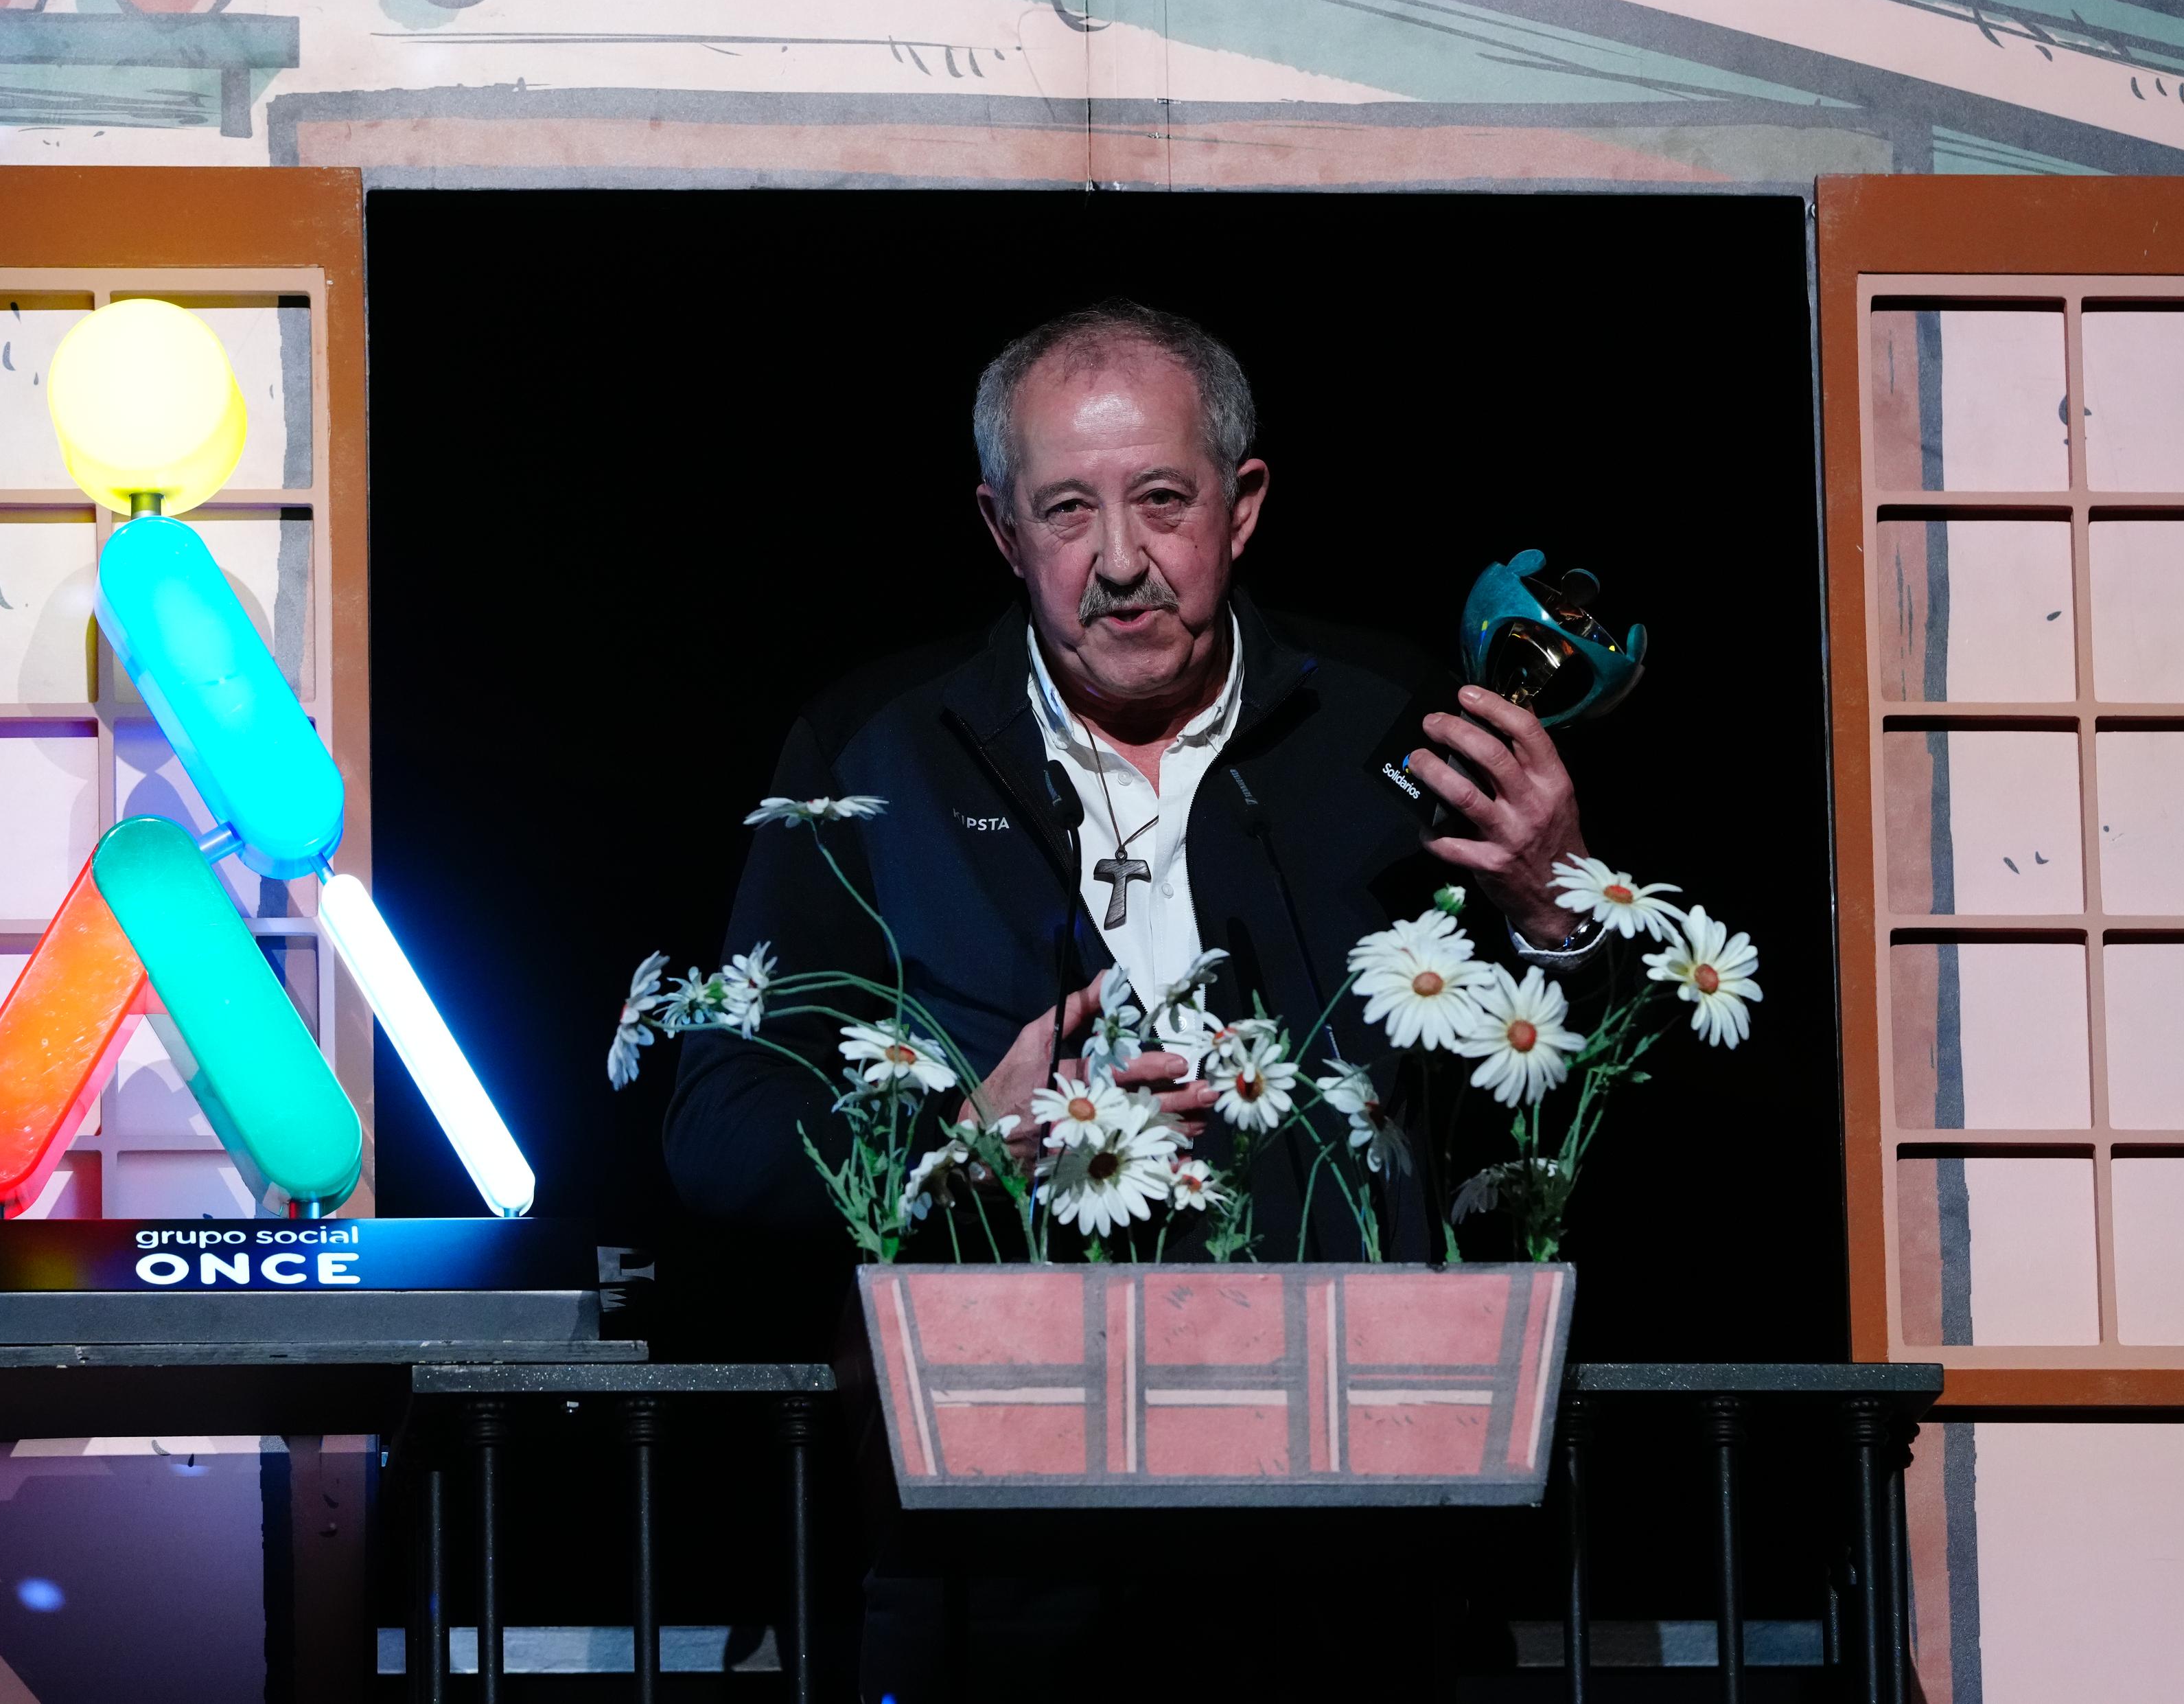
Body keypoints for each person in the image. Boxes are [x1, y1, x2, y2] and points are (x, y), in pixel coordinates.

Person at [663, 299, 1608, 1258]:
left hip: (1349, 1380)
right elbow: (718, 1128)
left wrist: (1559, 924)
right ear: (1003, 530)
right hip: (1004, 1385)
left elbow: (1569, 1132)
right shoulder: (871, 748)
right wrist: (956, 1145)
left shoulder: (1393, 725)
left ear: (1240, 508)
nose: (1120, 561)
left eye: (1162, 498)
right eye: (1068, 508)